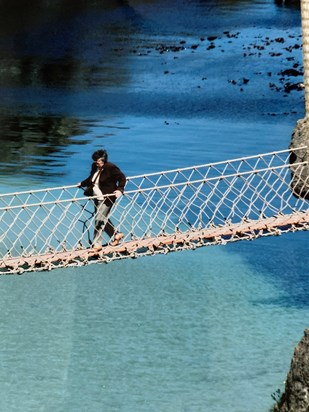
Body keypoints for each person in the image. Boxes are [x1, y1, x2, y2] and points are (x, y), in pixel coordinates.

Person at [78, 149, 126, 250]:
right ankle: (116, 235)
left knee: (99, 219)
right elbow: (91, 178)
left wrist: (119, 190)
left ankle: (97, 244)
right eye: (95, 161)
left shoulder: (110, 167)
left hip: (108, 197)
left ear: (103, 160)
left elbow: (122, 178)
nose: (96, 163)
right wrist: (82, 183)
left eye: (98, 161)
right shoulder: (94, 166)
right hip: (97, 197)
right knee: (102, 218)